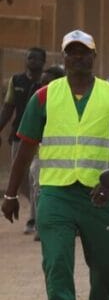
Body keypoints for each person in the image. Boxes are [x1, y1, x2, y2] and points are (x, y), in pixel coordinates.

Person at [2, 30, 109, 300]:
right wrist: (10, 195)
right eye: (72, 52)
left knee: (105, 263)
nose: (78, 57)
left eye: (84, 52)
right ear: (63, 57)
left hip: (99, 196)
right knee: (57, 262)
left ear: (94, 57)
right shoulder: (44, 97)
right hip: (55, 193)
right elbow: (26, 146)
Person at [0, 47, 46, 235]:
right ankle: (38, 206)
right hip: (19, 136)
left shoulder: (47, 83)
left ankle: (34, 218)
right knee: (21, 180)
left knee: (36, 176)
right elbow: (8, 108)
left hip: (42, 138)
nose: (32, 61)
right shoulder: (16, 81)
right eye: (30, 58)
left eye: (37, 58)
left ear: (43, 62)